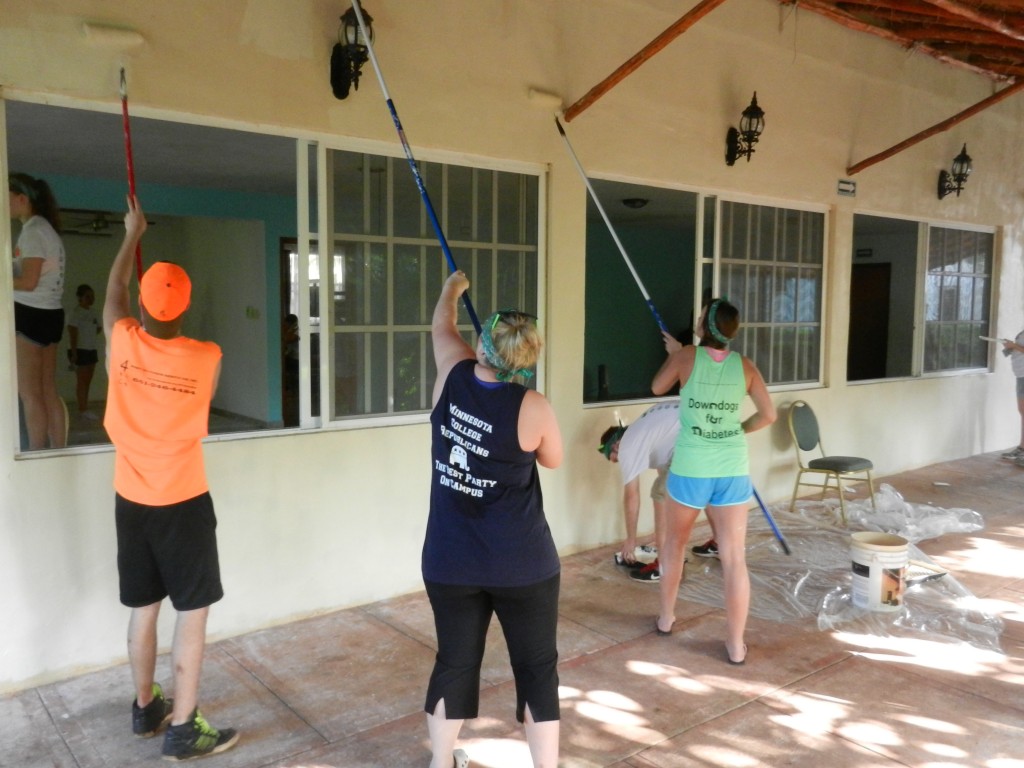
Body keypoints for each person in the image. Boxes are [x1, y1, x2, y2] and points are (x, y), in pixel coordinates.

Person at [103, 195, 239, 761]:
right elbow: (202, 399)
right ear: (184, 308)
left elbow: (111, 298)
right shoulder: (207, 356)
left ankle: (145, 708)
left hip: (131, 499)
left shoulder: (121, 340)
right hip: (181, 500)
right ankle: (183, 727)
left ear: (143, 304)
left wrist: (131, 235)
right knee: (193, 611)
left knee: (144, 609)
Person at [422, 271, 563, 768]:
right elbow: (552, 459)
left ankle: (442, 762)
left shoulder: (451, 374)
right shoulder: (533, 405)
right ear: (526, 360)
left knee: (455, 663)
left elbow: (442, 327)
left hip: (449, 559)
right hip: (522, 563)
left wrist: (452, 291)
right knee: (537, 668)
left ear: (483, 344)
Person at [650, 298, 776, 665]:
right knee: (734, 558)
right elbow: (767, 415)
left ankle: (667, 618)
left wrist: (676, 355)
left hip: (691, 468)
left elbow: (659, 387)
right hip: (732, 467)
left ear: (704, 325)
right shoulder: (745, 366)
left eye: (701, 315)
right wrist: (738, 428)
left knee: (674, 545)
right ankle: (736, 645)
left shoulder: (687, 356)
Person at [9, 172, 67, 449]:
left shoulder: (33, 232)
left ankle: (36, 453)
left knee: (30, 393)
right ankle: (56, 450)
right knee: (47, 390)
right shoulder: (45, 229)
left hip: (31, 314)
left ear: (21, 199)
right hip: (50, 313)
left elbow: (28, 282)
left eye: (6, 199)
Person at [67, 283, 101, 418]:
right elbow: (72, 332)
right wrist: (74, 353)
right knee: (82, 380)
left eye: (92, 296)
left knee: (88, 380)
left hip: (91, 349)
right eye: (88, 296)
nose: (91, 298)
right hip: (80, 350)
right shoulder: (76, 313)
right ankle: (82, 409)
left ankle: (84, 406)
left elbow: (98, 328)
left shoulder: (93, 312)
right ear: (80, 298)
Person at [1000, 331, 1024, 465]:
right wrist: (1010, 347)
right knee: (1022, 411)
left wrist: (1014, 346)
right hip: (1020, 375)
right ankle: (1022, 448)